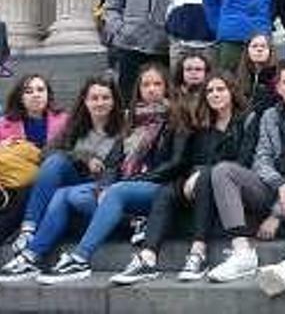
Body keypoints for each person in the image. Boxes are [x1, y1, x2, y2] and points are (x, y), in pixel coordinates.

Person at [17, 65, 176, 284]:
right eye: (146, 84)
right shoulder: (131, 121)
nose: (151, 89)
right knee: (61, 186)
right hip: (109, 187)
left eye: (157, 84)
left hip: (150, 188)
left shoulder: (172, 117)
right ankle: (31, 254)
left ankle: (79, 257)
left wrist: (117, 184)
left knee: (75, 195)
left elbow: (176, 161)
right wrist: (87, 163)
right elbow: (113, 163)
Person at [109, 72, 259, 285]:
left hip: (234, 188)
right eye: (210, 91)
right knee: (167, 190)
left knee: (209, 175)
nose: (215, 94)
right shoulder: (203, 123)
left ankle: (198, 253)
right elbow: (191, 159)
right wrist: (194, 174)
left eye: (220, 89)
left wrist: (202, 172)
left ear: (232, 91)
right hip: (199, 180)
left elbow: (244, 161)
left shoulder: (247, 119)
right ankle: (147, 258)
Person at [203, 61, 285, 293]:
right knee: (222, 170)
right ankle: (242, 253)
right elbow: (261, 159)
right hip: (272, 186)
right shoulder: (269, 115)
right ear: (278, 88)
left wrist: (277, 213)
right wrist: (281, 186)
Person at [0, 74, 126, 282]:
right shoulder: (76, 125)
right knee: (56, 162)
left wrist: (101, 184)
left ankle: (31, 254)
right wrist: (83, 158)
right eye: (94, 98)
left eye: (105, 97)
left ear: (114, 101)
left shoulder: (123, 128)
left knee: (64, 194)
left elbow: (117, 170)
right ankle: (29, 233)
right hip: (76, 184)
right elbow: (46, 153)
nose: (100, 103)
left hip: (103, 193)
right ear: (85, 101)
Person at [0, 75, 68, 243]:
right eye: (28, 91)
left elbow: (71, 154)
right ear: (20, 97)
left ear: (48, 94)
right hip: (11, 181)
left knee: (26, 192)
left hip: (53, 179)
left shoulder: (65, 121)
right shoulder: (4, 124)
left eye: (40, 90)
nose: (36, 95)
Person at [236, 33, 279, 117]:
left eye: (263, 46)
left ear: (270, 51)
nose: (259, 49)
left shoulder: (278, 75)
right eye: (254, 46)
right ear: (247, 51)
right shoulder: (239, 75)